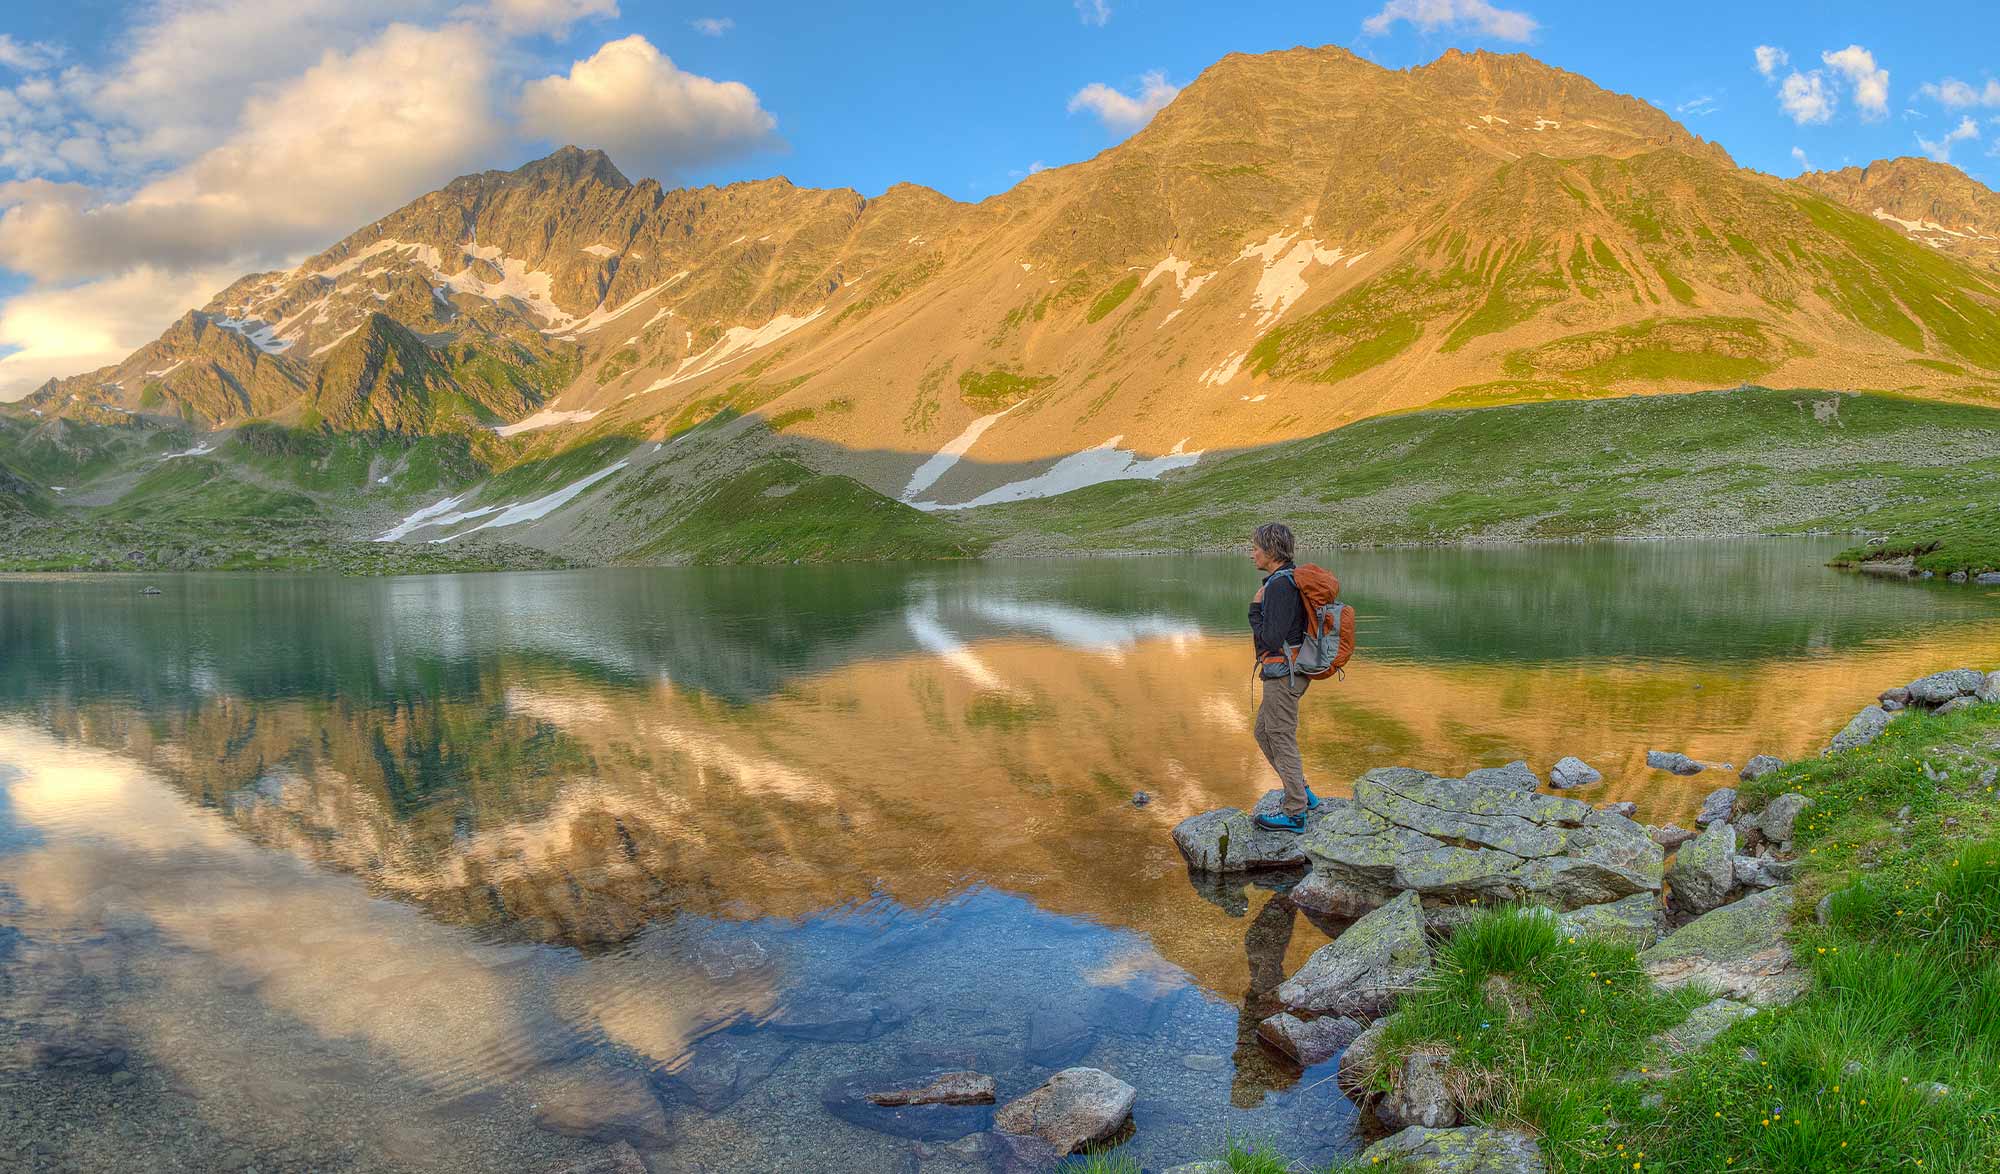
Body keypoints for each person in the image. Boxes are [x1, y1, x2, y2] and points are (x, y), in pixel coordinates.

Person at [1247, 522, 1321, 832]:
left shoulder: (1278, 586)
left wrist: (1254, 608)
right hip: (1289, 672)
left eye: (1255, 548)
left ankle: (1294, 812)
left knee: (1280, 736)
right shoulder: (1286, 579)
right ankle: (1301, 792)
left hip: (1283, 675)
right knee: (1264, 732)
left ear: (1271, 551)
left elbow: (1272, 638)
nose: (1251, 554)